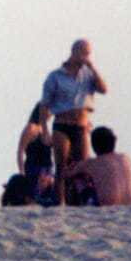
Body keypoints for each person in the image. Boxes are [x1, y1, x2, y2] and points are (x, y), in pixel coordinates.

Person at [39, 39, 108, 173]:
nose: (86, 58)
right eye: (84, 53)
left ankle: (78, 193)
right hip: (62, 124)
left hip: (81, 125)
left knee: (82, 167)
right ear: (75, 52)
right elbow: (44, 104)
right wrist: (45, 130)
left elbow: (103, 89)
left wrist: (92, 68)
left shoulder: (88, 74)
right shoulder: (55, 76)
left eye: (88, 54)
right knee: (62, 167)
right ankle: (60, 193)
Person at [61, 125, 131, 206]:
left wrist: (73, 162)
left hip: (107, 208)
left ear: (94, 145)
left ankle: (72, 209)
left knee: (78, 179)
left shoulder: (92, 163)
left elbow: (64, 174)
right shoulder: (125, 158)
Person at [16, 105, 59, 205]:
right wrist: (22, 171)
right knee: (34, 198)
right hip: (34, 169)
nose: (50, 115)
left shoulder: (45, 129)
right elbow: (20, 151)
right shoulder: (31, 128)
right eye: (48, 112)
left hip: (48, 169)